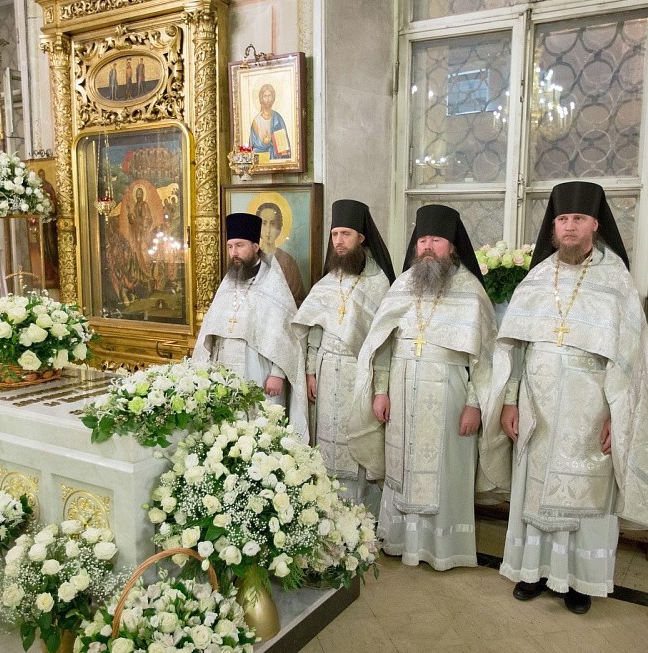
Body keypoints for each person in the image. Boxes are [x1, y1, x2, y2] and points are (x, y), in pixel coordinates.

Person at [485, 181, 648, 614]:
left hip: (591, 408)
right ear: (554, 227)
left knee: (588, 493)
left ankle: (579, 583)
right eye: (562, 219)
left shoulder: (616, 281)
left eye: (578, 219)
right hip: (536, 404)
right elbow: (514, 348)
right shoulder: (536, 278)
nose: (569, 227)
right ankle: (532, 572)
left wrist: (617, 415)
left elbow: (631, 360)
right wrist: (510, 399)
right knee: (533, 491)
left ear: (595, 225)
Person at [348, 204, 498, 571]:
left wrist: (475, 404)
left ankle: (441, 549)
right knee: (401, 464)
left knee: (445, 468)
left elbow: (486, 357)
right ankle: (400, 540)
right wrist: (380, 390)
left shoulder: (470, 291)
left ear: (453, 246)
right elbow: (383, 344)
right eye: (422, 240)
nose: (428, 247)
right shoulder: (403, 285)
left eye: (436, 240)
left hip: (449, 393)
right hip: (401, 390)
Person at [292, 199, 396, 514]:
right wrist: (310, 370)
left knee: (357, 439)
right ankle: (328, 511)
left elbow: (385, 342)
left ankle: (362, 514)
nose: (338, 241)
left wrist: (381, 389)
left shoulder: (379, 284)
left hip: (358, 373)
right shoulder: (327, 281)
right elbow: (314, 330)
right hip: (326, 372)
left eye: (345, 234)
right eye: (335, 234)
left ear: (361, 237)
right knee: (326, 441)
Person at [193, 212, 308, 440]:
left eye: (239, 245)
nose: (233, 253)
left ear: (255, 247)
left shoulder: (273, 283)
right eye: (230, 246)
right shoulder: (229, 281)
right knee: (227, 431)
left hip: (259, 369)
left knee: (260, 431)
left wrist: (278, 374)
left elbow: (286, 334)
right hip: (225, 370)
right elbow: (211, 331)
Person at [257, 201, 305, 306]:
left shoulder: (288, 262)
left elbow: (297, 298)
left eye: (273, 224)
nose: (268, 230)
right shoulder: (252, 259)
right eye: (264, 223)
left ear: (279, 228)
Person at [248, 83, 291, 160]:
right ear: (261, 99)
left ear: (273, 98)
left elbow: (283, 147)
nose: (268, 99)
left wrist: (270, 142)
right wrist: (264, 144)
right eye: (265, 96)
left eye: (270, 96)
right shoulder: (256, 121)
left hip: (276, 158)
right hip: (261, 157)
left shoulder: (277, 118)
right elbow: (252, 148)